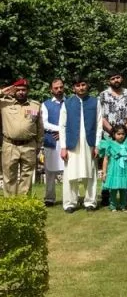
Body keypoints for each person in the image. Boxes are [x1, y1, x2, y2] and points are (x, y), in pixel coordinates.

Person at [60, 78, 102, 213]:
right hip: (72, 144)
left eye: (83, 85)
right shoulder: (67, 103)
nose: (81, 87)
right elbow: (62, 126)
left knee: (91, 173)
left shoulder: (95, 102)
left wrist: (97, 145)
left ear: (87, 86)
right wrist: (63, 147)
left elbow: (99, 124)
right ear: (74, 88)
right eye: (78, 85)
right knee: (70, 174)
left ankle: (90, 202)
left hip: (89, 144)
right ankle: (70, 203)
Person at [98, 71, 127, 206]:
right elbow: (101, 116)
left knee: (125, 162)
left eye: (118, 77)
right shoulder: (103, 95)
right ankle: (106, 192)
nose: (116, 80)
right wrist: (112, 131)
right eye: (113, 78)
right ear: (109, 81)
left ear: (122, 78)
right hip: (109, 135)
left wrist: (124, 131)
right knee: (109, 163)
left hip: (126, 135)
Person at [0, 79, 44, 197]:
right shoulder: (4, 103)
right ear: (14, 90)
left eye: (23, 90)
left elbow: (39, 126)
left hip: (29, 145)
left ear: (27, 91)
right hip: (10, 145)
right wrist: (3, 91)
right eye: (18, 90)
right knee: (9, 177)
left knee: (27, 176)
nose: (21, 92)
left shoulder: (35, 105)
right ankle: (10, 204)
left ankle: (24, 204)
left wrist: (39, 144)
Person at [99, 124, 127, 212]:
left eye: (123, 134)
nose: (121, 136)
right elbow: (105, 159)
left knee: (124, 189)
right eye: (118, 134)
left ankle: (123, 205)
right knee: (113, 189)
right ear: (114, 134)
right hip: (114, 170)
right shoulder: (110, 145)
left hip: (124, 170)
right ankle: (113, 206)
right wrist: (104, 172)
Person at [42, 78, 66, 206]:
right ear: (51, 90)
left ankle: (69, 198)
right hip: (51, 141)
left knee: (67, 171)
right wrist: (60, 129)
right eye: (56, 88)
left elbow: (74, 121)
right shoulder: (45, 104)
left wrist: (63, 132)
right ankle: (49, 198)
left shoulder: (69, 103)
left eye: (61, 87)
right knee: (50, 171)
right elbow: (44, 123)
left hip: (66, 142)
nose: (59, 90)